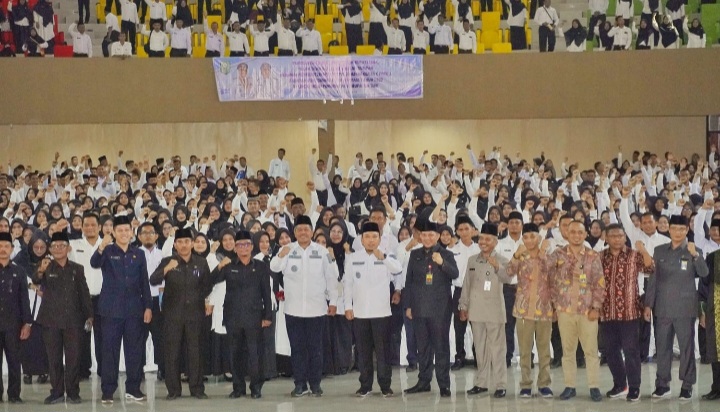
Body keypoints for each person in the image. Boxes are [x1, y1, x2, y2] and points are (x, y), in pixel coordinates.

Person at [270, 214, 338, 397]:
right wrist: (281, 254)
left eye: (306, 229)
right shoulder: (287, 249)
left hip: (317, 310)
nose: (303, 232)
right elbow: (274, 267)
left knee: (316, 349)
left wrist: (333, 301)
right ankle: (299, 384)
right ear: (294, 232)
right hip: (293, 310)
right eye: (299, 229)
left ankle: (315, 384)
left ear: (312, 232)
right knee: (297, 349)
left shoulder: (322, 252)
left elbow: (331, 278)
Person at [90, 215, 153, 404]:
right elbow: (94, 263)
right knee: (109, 351)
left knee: (135, 351)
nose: (124, 233)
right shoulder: (107, 251)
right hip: (111, 310)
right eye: (120, 230)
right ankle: (108, 391)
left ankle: (133, 389)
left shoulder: (138, 254)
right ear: (114, 233)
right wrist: (101, 245)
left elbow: (144, 282)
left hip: (134, 310)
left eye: (127, 230)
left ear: (132, 232)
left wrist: (148, 306)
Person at [644, 215, 708, 400]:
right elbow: (653, 280)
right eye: (674, 228)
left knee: (686, 348)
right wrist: (648, 304)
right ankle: (662, 385)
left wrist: (695, 255)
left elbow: (704, 273)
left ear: (687, 230)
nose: (677, 232)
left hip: (685, 308)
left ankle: (687, 385)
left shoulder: (693, 250)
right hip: (662, 308)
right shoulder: (659, 251)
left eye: (682, 229)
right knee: (662, 348)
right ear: (668, 229)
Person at [150, 228, 212, 400]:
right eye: (180, 242)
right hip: (172, 315)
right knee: (172, 353)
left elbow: (207, 285)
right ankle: (173, 390)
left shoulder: (201, 262)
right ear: (175, 245)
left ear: (192, 244)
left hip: (195, 315)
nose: (183, 245)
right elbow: (153, 280)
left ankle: (197, 389)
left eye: (187, 242)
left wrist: (197, 298)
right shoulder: (168, 261)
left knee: (195, 352)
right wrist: (167, 269)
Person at [33, 232, 93, 405]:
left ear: (68, 248)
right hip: (50, 321)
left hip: (73, 321)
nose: (58, 249)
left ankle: (73, 392)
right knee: (54, 359)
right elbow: (36, 279)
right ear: (50, 249)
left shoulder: (77, 269)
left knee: (74, 358)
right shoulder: (46, 266)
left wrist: (90, 315)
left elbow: (84, 293)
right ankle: (57, 392)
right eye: (54, 246)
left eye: (62, 246)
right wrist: (41, 270)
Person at [548, 220, 605, 402]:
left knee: (591, 351)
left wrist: (596, 307)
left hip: (587, 311)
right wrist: (554, 305)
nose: (576, 235)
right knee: (568, 351)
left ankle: (594, 386)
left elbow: (599, 283)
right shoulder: (558, 254)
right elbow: (550, 280)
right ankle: (569, 386)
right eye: (572, 232)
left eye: (580, 232)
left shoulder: (592, 256)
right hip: (565, 310)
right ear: (566, 233)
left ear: (585, 234)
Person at [211, 230, 273, 399]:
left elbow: (266, 292)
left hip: (254, 317)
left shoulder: (260, 266)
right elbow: (210, 281)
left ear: (252, 247)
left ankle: (256, 387)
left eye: (247, 244)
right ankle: (238, 388)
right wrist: (219, 266)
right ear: (235, 248)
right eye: (240, 245)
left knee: (255, 354)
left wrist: (267, 316)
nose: (243, 248)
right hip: (233, 317)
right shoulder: (229, 265)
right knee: (235, 354)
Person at [344, 222, 402, 397]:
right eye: (367, 237)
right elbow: (348, 284)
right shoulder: (353, 258)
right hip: (360, 313)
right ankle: (365, 385)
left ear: (379, 238)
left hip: (381, 312)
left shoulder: (387, 256)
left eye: (374, 237)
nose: (370, 240)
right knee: (363, 352)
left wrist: (383, 257)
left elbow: (398, 269)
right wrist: (348, 306)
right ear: (361, 240)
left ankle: (385, 385)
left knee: (383, 352)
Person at [403, 221, 459, 398]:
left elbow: (455, 274)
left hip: (440, 309)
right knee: (423, 347)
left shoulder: (446, 254)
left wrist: (442, 263)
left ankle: (444, 384)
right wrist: (408, 305)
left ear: (437, 236)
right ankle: (424, 382)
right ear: (420, 236)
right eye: (424, 235)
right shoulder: (415, 254)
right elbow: (409, 281)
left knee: (441, 347)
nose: (427, 238)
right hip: (419, 307)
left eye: (431, 235)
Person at [600, 224, 653, 402]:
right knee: (611, 351)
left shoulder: (634, 255)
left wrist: (642, 249)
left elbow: (650, 267)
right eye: (613, 236)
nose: (617, 239)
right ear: (607, 238)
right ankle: (620, 384)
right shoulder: (600, 256)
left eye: (620, 236)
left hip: (629, 313)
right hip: (607, 312)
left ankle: (635, 387)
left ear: (625, 237)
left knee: (631, 351)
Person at [459, 223, 513, 398]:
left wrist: (497, 266)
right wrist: (463, 306)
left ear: (495, 242)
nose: (483, 242)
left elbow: (508, 278)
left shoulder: (502, 260)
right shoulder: (472, 260)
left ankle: (500, 384)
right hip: (476, 311)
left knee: (498, 350)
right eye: (481, 238)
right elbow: (467, 284)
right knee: (480, 349)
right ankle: (481, 383)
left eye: (487, 239)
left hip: (494, 311)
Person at [507, 223, 554, 398]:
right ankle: (525, 385)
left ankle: (544, 384)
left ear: (539, 238)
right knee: (525, 351)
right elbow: (508, 272)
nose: (529, 240)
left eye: (532, 237)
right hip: (523, 310)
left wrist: (542, 253)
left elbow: (552, 272)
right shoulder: (521, 256)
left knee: (544, 350)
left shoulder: (548, 254)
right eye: (525, 237)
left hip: (544, 309)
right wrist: (515, 255)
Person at [69, 213, 103, 380]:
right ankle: (83, 370)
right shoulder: (74, 245)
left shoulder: (107, 246)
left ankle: (104, 369)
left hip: (103, 298)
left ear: (99, 227)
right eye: (86, 225)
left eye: (93, 225)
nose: (90, 228)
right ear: (81, 227)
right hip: (81, 299)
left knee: (103, 336)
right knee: (82, 335)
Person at [0, 232, 32, 404]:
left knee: (14, 360)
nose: (3, 250)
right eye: (0, 246)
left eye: (6, 246)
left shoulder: (19, 271)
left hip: (13, 324)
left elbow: (24, 299)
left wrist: (27, 323)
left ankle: (14, 394)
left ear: (12, 249)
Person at [448, 216, 479, 371]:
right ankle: (459, 357)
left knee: (478, 326)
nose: (464, 232)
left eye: (467, 228)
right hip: (459, 291)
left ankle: (478, 357)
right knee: (459, 327)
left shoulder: (480, 249)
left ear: (473, 230)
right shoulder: (452, 251)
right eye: (461, 229)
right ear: (457, 232)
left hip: (477, 292)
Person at [137, 223, 164, 381]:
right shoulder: (134, 254)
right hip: (140, 300)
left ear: (156, 236)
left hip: (159, 299)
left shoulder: (163, 254)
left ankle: (162, 368)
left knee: (160, 336)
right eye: (144, 233)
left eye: (151, 232)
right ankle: (138, 369)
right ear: (139, 236)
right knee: (139, 336)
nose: (148, 235)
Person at [701, 241, 720, 400]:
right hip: (716, 311)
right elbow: (704, 285)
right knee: (715, 350)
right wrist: (702, 312)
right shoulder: (713, 258)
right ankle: (717, 388)